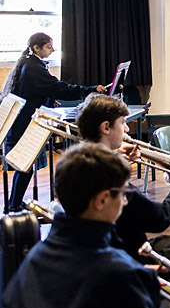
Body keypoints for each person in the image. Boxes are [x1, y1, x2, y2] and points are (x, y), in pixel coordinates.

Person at [2, 142, 170, 308]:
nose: (126, 200)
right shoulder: (115, 272)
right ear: (101, 200)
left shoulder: (36, 256)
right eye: (122, 194)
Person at [77, 94, 170, 294]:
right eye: (123, 123)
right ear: (106, 127)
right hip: (132, 256)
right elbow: (160, 218)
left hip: (120, 246)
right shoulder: (109, 177)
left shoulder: (83, 160)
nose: (127, 130)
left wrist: (119, 159)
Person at [0, 32, 105, 212]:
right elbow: (58, 88)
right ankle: (14, 204)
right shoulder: (34, 67)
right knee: (25, 168)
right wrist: (89, 89)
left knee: (25, 169)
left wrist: (49, 100)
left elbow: (35, 91)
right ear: (36, 48)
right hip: (25, 123)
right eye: (49, 47)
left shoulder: (29, 63)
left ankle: (14, 203)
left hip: (23, 121)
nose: (53, 49)